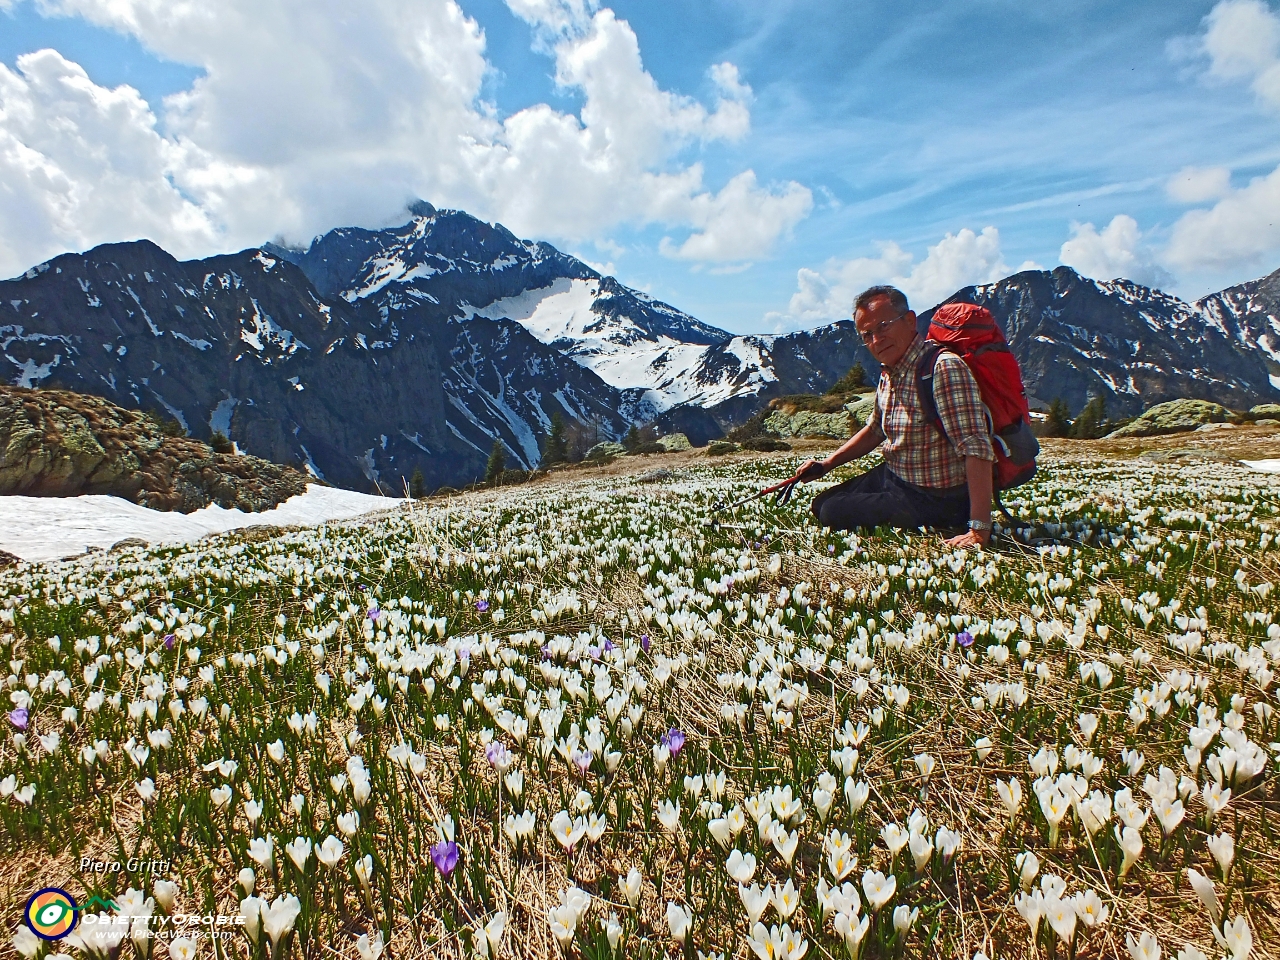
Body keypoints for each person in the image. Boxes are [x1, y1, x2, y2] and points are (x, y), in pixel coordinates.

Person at [795, 285, 994, 549]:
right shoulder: (891, 370)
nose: (876, 340)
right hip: (897, 476)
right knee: (821, 504)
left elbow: (976, 447)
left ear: (910, 320)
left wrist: (979, 529)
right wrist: (827, 464)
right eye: (867, 334)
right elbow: (875, 429)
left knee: (831, 512)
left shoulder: (943, 369)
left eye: (884, 326)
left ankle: (947, 520)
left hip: (935, 495)